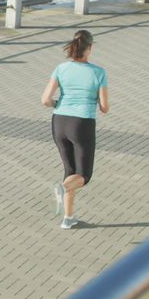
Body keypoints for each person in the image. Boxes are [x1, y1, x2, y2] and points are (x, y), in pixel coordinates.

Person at [40, 29, 109, 229]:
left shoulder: (61, 68)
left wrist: (59, 105)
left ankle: (68, 219)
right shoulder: (98, 72)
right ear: (90, 48)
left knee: (70, 170)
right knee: (84, 176)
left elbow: (45, 100)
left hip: (59, 121)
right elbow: (105, 108)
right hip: (82, 124)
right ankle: (61, 188)